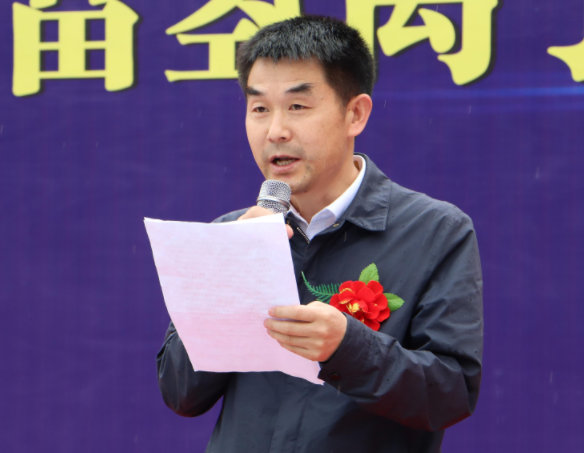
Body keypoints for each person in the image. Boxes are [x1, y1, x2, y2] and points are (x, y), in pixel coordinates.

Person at [157, 15, 483, 453]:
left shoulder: (435, 231)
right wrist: (229, 277)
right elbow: (180, 393)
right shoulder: (232, 235)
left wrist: (348, 347)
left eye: (297, 106)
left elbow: (450, 395)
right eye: (259, 109)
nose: (276, 131)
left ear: (355, 114)